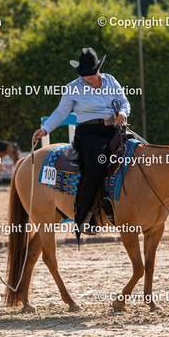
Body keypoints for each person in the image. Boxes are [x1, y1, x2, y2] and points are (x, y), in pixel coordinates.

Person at [33, 47, 130, 236]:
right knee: (94, 166)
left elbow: (123, 101)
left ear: (98, 68)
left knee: (138, 153)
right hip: (89, 132)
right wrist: (45, 129)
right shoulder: (72, 87)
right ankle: (84, 216)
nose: (89, 77)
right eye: (85, 74)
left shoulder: (110, 80)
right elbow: (61, 112)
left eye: (92, 73)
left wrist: (123, 114)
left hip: (115, 128)